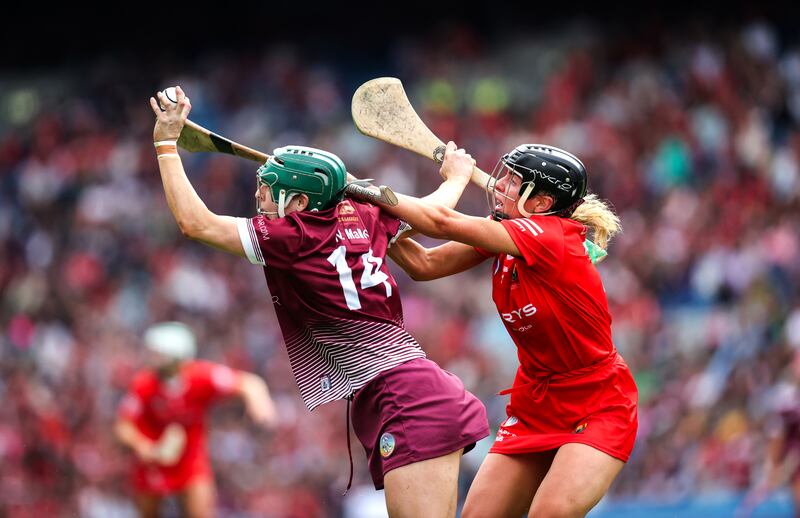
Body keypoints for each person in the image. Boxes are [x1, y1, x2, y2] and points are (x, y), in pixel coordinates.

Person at [148, 86, 489, 518]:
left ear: (302, 202)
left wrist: (165, 144)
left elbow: (195, 223)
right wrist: (457, 180)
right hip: (408, 390)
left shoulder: (293, 236)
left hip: (405, 395)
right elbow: (431, 213)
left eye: (268, 191)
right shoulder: (365, 216)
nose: (258, 199)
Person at [376, 143, 639, 517]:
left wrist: (448, 179)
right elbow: (424, 263)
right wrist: (369, 213)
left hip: (597, 404)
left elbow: (439, 222)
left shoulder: (549, 237)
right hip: (535, 404)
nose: (499, 185)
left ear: (542, 203)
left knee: (550, 514)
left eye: (514, 182)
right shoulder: (508, 234)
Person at [115, 321, 277, 518]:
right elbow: (124, 426)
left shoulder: (200, 376)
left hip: (190, 461)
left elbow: (249, 384)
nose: (151, 358)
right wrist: (143, 446)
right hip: (153, 460)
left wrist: (260, 404)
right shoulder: (143, 384)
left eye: (157, 353)